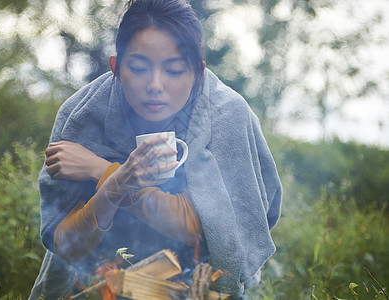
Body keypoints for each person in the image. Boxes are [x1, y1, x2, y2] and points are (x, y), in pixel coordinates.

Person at [29, 0, 282, 299]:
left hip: (197, 279)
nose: (155, 85)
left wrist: (104, 171)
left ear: (198, 72)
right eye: (138, 68)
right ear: (116, 68)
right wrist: (113, 189)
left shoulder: (226, 114)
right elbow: (64, 244)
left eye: (175, 70)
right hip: (99, 279)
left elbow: (208, 230)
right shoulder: (82, 115)